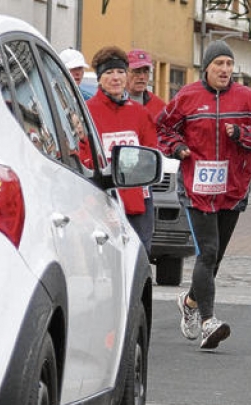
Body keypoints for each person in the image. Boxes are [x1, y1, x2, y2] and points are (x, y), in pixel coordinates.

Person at [158, 39, 251, 351]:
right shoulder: (187, 96)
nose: (225, 70)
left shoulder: (247, 98)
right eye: (219, 65)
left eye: (228, 64)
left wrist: (242, 135)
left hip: (232, 188)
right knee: (208, 252)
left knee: (216, 258)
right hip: (198, 188)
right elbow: (163, 128)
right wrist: (177, 148)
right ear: (207, 68)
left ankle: (189, 302)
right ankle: (209, 322)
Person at [85, 46, 158, 253]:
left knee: (139, 258)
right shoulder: (87, 112)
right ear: (99, 79)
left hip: (138, 201)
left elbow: (151, 151)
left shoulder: (140, 114)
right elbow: (82, 155)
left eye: (120, 72)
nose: (115, 78)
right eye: (109, 73)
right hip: (102, 200)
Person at [126, 49, 166, 120]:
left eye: (146, 71)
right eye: (137, 71)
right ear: (125, 72)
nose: (142, 77)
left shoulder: (159, 106)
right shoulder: (113, 102)